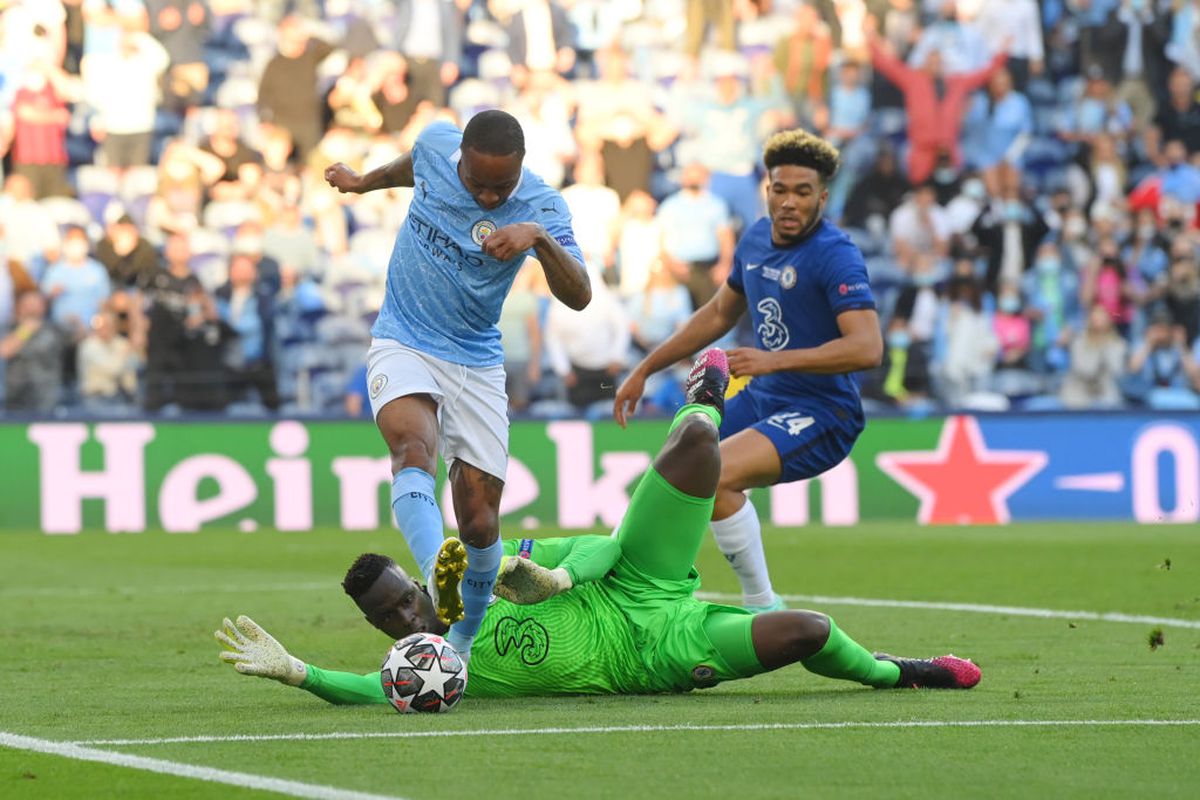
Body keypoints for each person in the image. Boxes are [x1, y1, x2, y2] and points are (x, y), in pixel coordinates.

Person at [216, 351, 981, 700]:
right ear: (384, 630)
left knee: (695, 445)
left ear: (418, 583)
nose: (406, 618)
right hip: (653, 654)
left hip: (631, 576)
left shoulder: (475, 576)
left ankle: (707, 388)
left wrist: (553, 575)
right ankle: (898, 671)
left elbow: (598, 545)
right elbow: (361, 688)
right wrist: (298, 672)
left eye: (405, 599)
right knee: (807, 633)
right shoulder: (437, 670)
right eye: (390, 618)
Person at [322, 109, 590, 661]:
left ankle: (460, 650)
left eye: (502, 187)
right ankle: (434, 574)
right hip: (404, 336)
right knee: (411, 449)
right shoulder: (435, 145)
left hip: (476, 359)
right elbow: (413, 165)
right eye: (478, 184)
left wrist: (538, 240)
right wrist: (361, 182)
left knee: (479, 518)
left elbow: (581, 293)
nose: (489, 199)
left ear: (521, 169)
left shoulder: (541, 206)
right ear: (459, 159)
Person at [614, 129, 883, 613]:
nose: (789, 202)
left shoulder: (835, 254)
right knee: (670, 471)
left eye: (803, 193)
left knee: (714, 474)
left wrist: (770, 360)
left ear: (822, 197)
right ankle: (619, 587)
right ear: (767, 189)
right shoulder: (756, 238)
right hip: (765, 398)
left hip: (823, 412)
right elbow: (719, 314)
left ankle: (764, 606)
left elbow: (867, 347)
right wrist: (647, 368)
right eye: (780, 189)